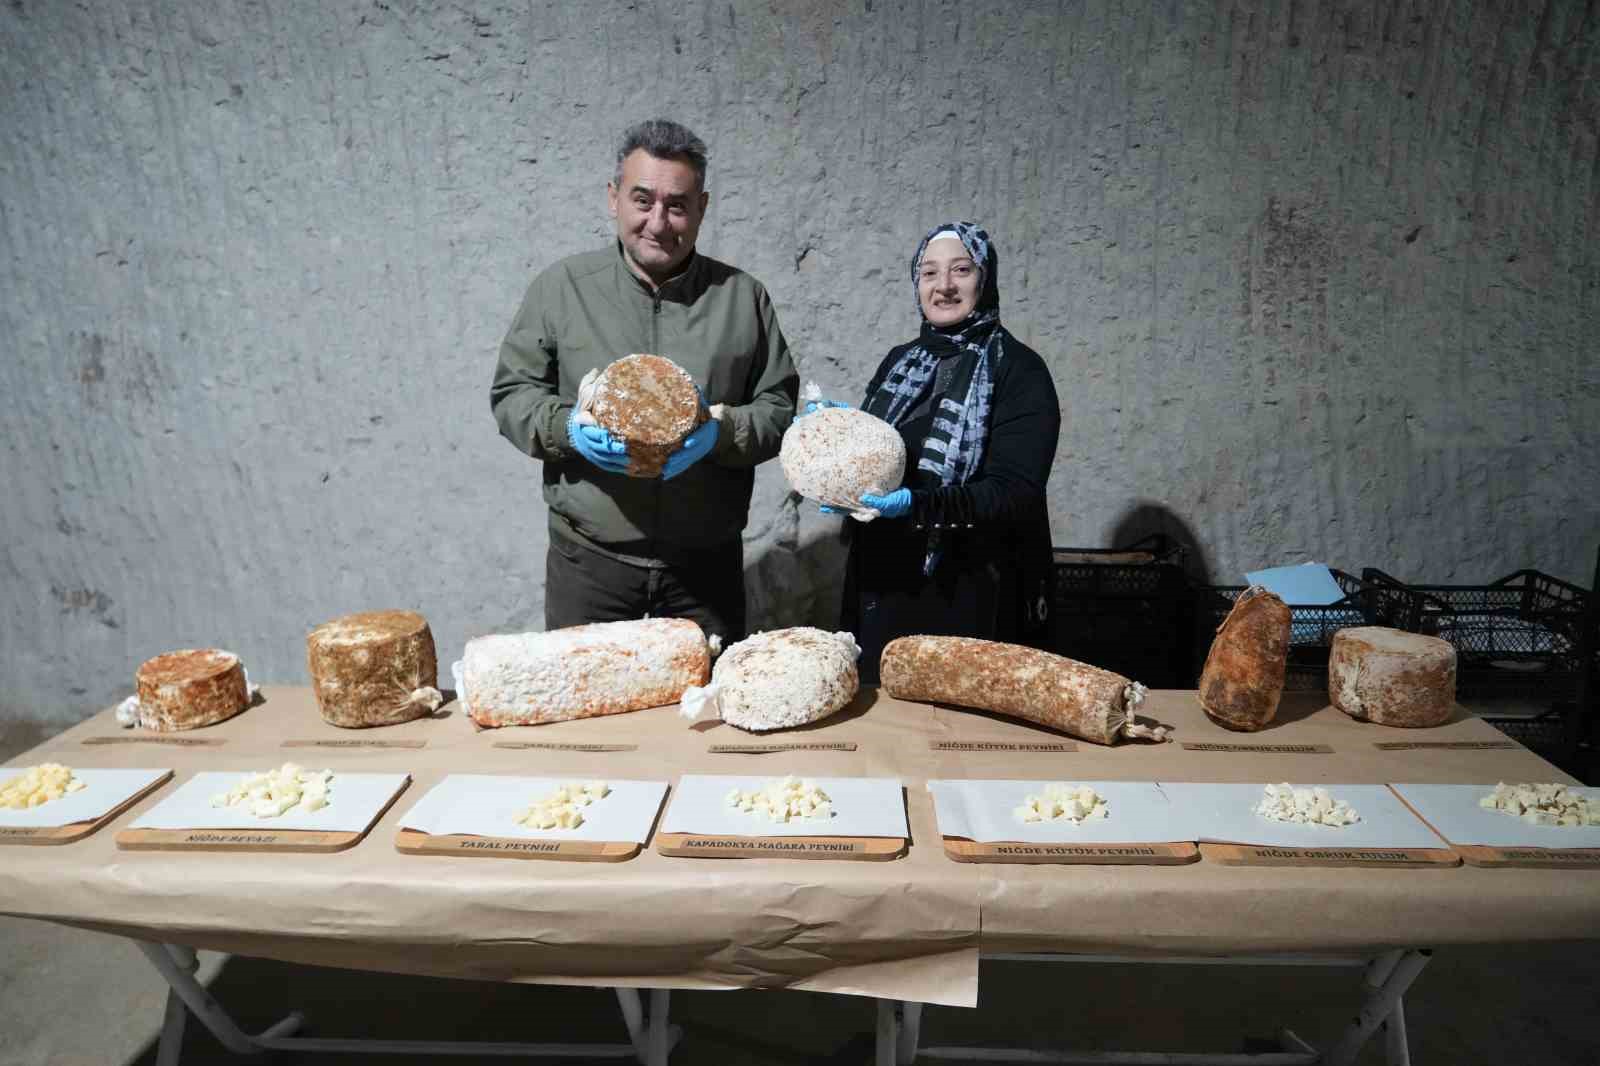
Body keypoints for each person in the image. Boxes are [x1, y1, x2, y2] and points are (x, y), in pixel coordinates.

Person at [490, 119, 798, 643]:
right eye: (642, 200)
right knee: (587, 721)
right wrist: (570, 429)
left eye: (677, 205)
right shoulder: (562, 289)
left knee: (705, 713)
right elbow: (512, 395)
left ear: (702, 207)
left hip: (705, 566)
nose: (659, 222)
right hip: (589, 563)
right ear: (613, 198)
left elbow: (778, 408)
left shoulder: (743, 298)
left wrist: (719, 432)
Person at [824, 221, 1061, 682]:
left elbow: (1016, 491)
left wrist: (919, 505)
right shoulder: (900, 363)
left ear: (985, 278)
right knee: (885, 727)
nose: (944, 286)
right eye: (929, 273)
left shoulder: (1019, 370)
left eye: (961, 270)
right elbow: (875, 459)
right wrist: (833, 442)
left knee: (964, 730)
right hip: (887, 583)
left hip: (973, 588)